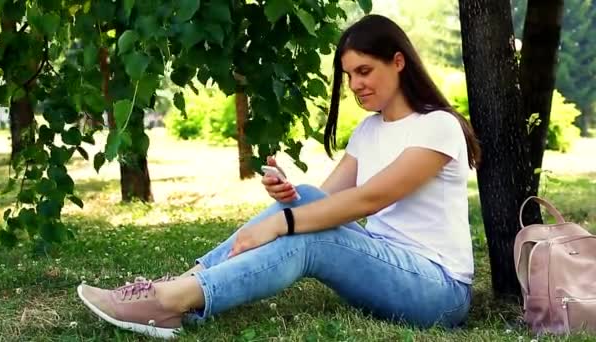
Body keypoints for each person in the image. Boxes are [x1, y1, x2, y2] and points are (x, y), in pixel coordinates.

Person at [77, 14, 482, 339]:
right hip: (386, 264)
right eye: (348, 76)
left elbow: (367, 200)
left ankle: (174, 300)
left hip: (437, 290)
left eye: (364, 71)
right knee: (304, 197)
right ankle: (173, 290)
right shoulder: (370, 130)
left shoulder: (438, 127)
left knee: (312, 240)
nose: (356, 85)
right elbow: (322, 200)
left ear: (398, 62)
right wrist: (286, 197)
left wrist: (278, 223)